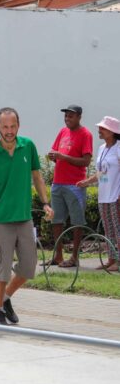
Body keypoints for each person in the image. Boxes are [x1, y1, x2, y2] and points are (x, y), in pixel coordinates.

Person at [0, 107, 53, 326]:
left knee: (29, 267)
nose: (9, 131)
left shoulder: (27, 146)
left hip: (24, 217)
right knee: (2, 267)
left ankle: (6, 297)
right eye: (5, 127)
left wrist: (46, 202)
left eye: (13, 126)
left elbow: (37, 177)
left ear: (18, 125)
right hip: (0, 219)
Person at [47, 105, 93, 267]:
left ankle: (74, 257)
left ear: (79, 117)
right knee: (56, 220)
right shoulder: (62, 132)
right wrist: (54, 156)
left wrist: (63, 157)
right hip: (58, 182)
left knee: (77, 222)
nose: (67, 119)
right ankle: (58, 256)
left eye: (71, 116)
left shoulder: (85, 134)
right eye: (66, 116)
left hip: (75, 185)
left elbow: (86, 161)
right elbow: (56, 151)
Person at [77, 116, 120, 272]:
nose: (99, 130)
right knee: (108, 229)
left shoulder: (119, 148)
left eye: (103, 128)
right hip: (104, 195)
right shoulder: (102, 149)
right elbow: (102, 172)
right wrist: (87, 182)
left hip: (116, 196)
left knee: (118, 228)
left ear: (112, 132)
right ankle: (111, 259)